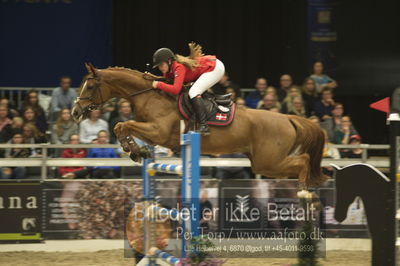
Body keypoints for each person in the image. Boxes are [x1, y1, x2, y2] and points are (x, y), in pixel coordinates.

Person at [151, 43, 225, 135]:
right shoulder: (168, 72)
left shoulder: (178, 67)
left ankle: (204, 125)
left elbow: (175, 90)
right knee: (193, 90)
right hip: (209, 67)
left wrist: (158, 84)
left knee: (194, 92)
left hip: (215, 68)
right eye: (158, 66)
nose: (160, 68)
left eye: (161, 65)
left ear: (169, 61)